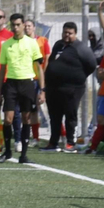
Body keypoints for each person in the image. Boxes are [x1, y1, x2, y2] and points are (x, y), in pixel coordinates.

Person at [0, 13, 45, 164]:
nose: (15, 28)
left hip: (27, 84)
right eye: (13, 25)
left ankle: (23, 155)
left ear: (24, 25)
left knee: (26, 118)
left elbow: (39, 68)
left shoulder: (32, 43)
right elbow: (2, 69)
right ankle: (8, 152)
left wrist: (42, 90)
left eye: (18, 25)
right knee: (8, 119)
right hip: (11, 84)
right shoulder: (6, 44)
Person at [42, 21, 96, 151]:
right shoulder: (58, 45)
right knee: (54, 116)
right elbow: (52, 61)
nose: (67, 35)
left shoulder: (81, 48)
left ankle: (70, 143)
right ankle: (53, 142)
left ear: (75, 34)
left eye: (70, 33)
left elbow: (91, 65)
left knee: (70, 115)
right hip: (53, 88)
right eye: (65, 32)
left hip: (72, 89)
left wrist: (77, 77)